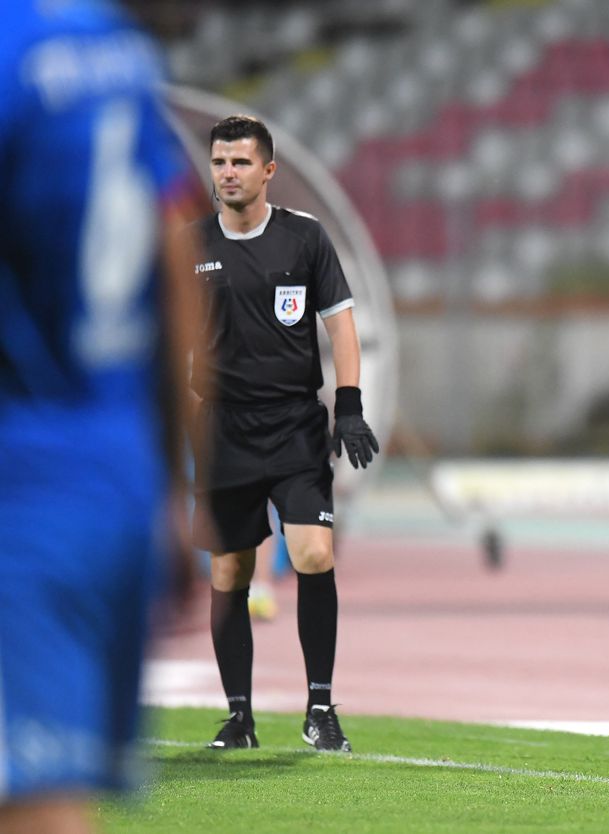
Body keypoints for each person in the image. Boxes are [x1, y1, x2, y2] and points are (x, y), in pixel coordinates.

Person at [0, 2, 201, 831]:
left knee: (33, 804)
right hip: (110, 471)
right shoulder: (118, 55)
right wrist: (178, 486)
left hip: (23, 480)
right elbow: (175, 248)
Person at [192, 115, 379, 753]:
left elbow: (341, 324)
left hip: (295, 425)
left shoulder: (305, 237)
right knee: (230, 571)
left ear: (268, 170)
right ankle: (238, 717)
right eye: (220, 162)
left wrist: (348, 406)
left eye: (241, 162)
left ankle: (319, 709)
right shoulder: (190, 244)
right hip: (222, 429)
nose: (228, 173)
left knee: (314, 555)